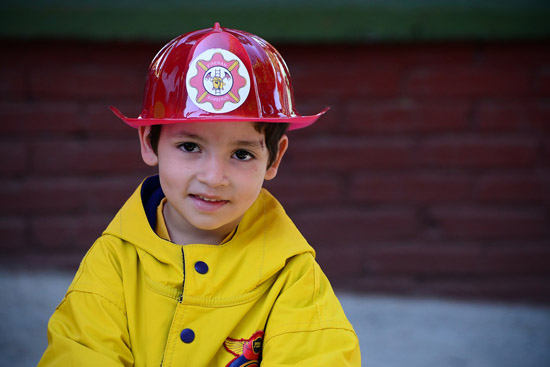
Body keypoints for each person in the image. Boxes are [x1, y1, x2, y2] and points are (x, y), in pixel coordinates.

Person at [38, 22, 361, 366]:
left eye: (241, 154)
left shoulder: (293, 277)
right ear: (149, 143)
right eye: (190, 146)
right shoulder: (113, 262)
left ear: (274, 158)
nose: (213, 177)